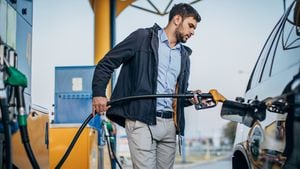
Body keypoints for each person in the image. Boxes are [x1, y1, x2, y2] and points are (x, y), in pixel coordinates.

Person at [92, 3, 201, 169]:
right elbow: (107, 63)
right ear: (177, 19)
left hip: (169, 125)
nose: (192, 32)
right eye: (190, 26)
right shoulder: (142, 38)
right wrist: (99, 93)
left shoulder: (184, 56)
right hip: (141, 120)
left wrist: (192, 97)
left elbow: (177, 93)